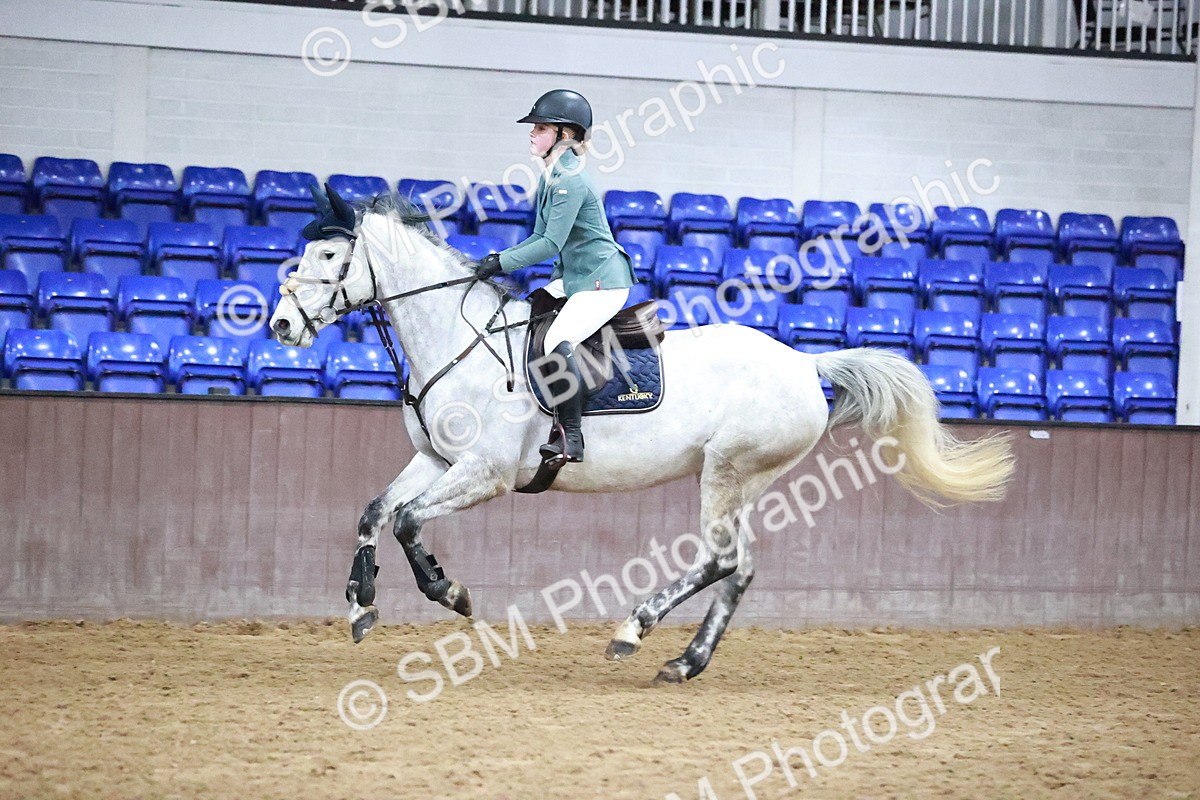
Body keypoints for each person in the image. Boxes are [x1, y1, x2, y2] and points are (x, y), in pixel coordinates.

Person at [479, 89, 637, 463]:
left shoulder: (571, 180)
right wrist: (499, 260)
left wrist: (501, 263)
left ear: (564, 135)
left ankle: (572, 437)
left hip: (601, 281)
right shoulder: (551, 176)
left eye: (540, 127)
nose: (532, 133)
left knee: (557, 339)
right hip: (574, 277)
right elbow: (538, 236)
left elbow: (550, 243)